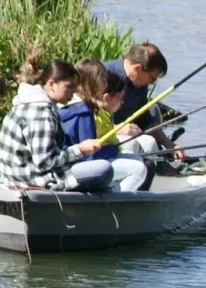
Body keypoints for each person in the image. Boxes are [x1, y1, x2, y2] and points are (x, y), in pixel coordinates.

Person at [0, 56, 108, 191]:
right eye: (69, 87)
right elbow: (45, 162)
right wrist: (80, 150)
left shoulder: (25, 101)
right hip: (31, 178)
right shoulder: (41, 112)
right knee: (104, 168)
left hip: (14, 175)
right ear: (51, 84)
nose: (73, 92)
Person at [54, 60, 150, 192]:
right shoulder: (84, 112)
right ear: (94, 83)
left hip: (72, 161)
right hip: (74, 167)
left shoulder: (72, 105)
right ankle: (116, 203)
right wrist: (113, 149)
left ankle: (113, 191)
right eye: (103, 80)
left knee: (137, 159)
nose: (106, 84)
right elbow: (89, 156)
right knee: (139, 169)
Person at [105, 42, 184, 158]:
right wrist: (116, 129)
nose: (152, 83)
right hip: (101, 137)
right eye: (152, 78)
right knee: (133, 144)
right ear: (137, 68)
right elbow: (87, 119)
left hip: (124, 135)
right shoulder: (105, 75)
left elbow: (146, 122)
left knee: (150, 143)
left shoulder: (140, 86)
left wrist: (170, 145)